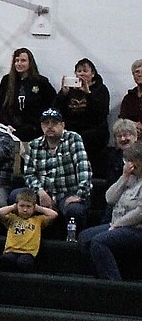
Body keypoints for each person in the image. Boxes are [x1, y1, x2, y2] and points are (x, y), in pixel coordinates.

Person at [17, 108, 92, 238]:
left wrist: (79, 194)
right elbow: (29, 174)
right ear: (41, 126)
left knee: (75, 210)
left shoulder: (73, 139)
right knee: (15, 197)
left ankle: (74, 244)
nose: (50, 126)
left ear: (62, 125)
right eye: (46, 123)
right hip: (43, 193)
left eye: (54, 123)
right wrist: (40, 191)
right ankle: (24, 240)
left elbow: (83, 167)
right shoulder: (34, 145)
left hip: (68, 193)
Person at [78, 142, 142, 280]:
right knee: (85, 238)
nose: (130, 164)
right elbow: (109, 198)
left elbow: (140, 213)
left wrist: (119, 224)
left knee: (98, 241)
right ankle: (100, 276)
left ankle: (113, 284)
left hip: (136, 227)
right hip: (117, 223)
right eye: (128, 161)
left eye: (133, 161)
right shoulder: (129, 177)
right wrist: (123, 178)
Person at [54, 57, 111, 177]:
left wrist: (88, 94)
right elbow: (56, 111)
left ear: (93, 73)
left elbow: (100, 114)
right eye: (79, 71)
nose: (82, 74)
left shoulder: (101, 89)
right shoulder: (70, 90)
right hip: (72, 128)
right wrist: (63, 95)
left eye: (85, 71)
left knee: (84, 138)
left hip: (93, 129)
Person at [0, 47, 56, 142]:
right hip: (9, 126)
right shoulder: (6, 80)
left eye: (23, 60)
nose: (19, 63)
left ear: (30, 63)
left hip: (33, 127)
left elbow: (52, 104)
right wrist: (6, 124)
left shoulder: (41, 81)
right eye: (17, 61)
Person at [0, 191, 56, 272]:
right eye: (22, 206)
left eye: (28, 206)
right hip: (11, 251)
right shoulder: (12, 218)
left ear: (33, 207)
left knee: (24, 263)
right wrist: (14, 207)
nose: (25, 209)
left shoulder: (38, 220)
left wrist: (38, 208)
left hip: (28, 253)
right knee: (5, 260)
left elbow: (54, 214)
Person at [118, 59, 142, 132]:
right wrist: (133, 125)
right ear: (133, 75)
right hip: (131, 134)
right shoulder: (128, 98)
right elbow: (122, 119)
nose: (140, 75)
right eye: (137, 72)